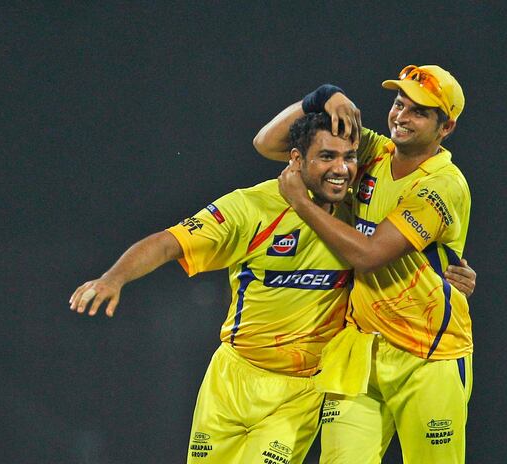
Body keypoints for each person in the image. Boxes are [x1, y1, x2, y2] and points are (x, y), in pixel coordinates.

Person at [69, 112, 476, 464]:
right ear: (296, 160)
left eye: (349, 158)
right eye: (327, 157)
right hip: (232, 378)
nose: (342, 169)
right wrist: (114, 277)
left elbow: (396, 248)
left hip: (301, 390)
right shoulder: (252, 208)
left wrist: (445, 273)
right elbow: (168, 241)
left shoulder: (358, 214)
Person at [254, 64, 473, 463]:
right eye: (398, 103)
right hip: (360, 349)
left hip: (427, 356)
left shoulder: (442, 186)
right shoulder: (374, 150)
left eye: (419, 111)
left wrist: (301, 203)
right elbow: (268, 143)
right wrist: (322, 96)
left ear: (447, 128)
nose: (401, 117)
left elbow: (368, 257)